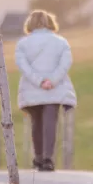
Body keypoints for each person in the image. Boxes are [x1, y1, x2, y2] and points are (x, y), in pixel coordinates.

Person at [15, 10, 77, 172]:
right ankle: (48, 158)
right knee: (51, 122)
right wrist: (52, 80)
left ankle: (38, 157)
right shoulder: (61, 42)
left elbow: (24, 67)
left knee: (36, 123)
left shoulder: (23, 44)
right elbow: (65, 63)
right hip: (54, 90)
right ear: (50, 22)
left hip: (32, 88)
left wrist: (39, 81)